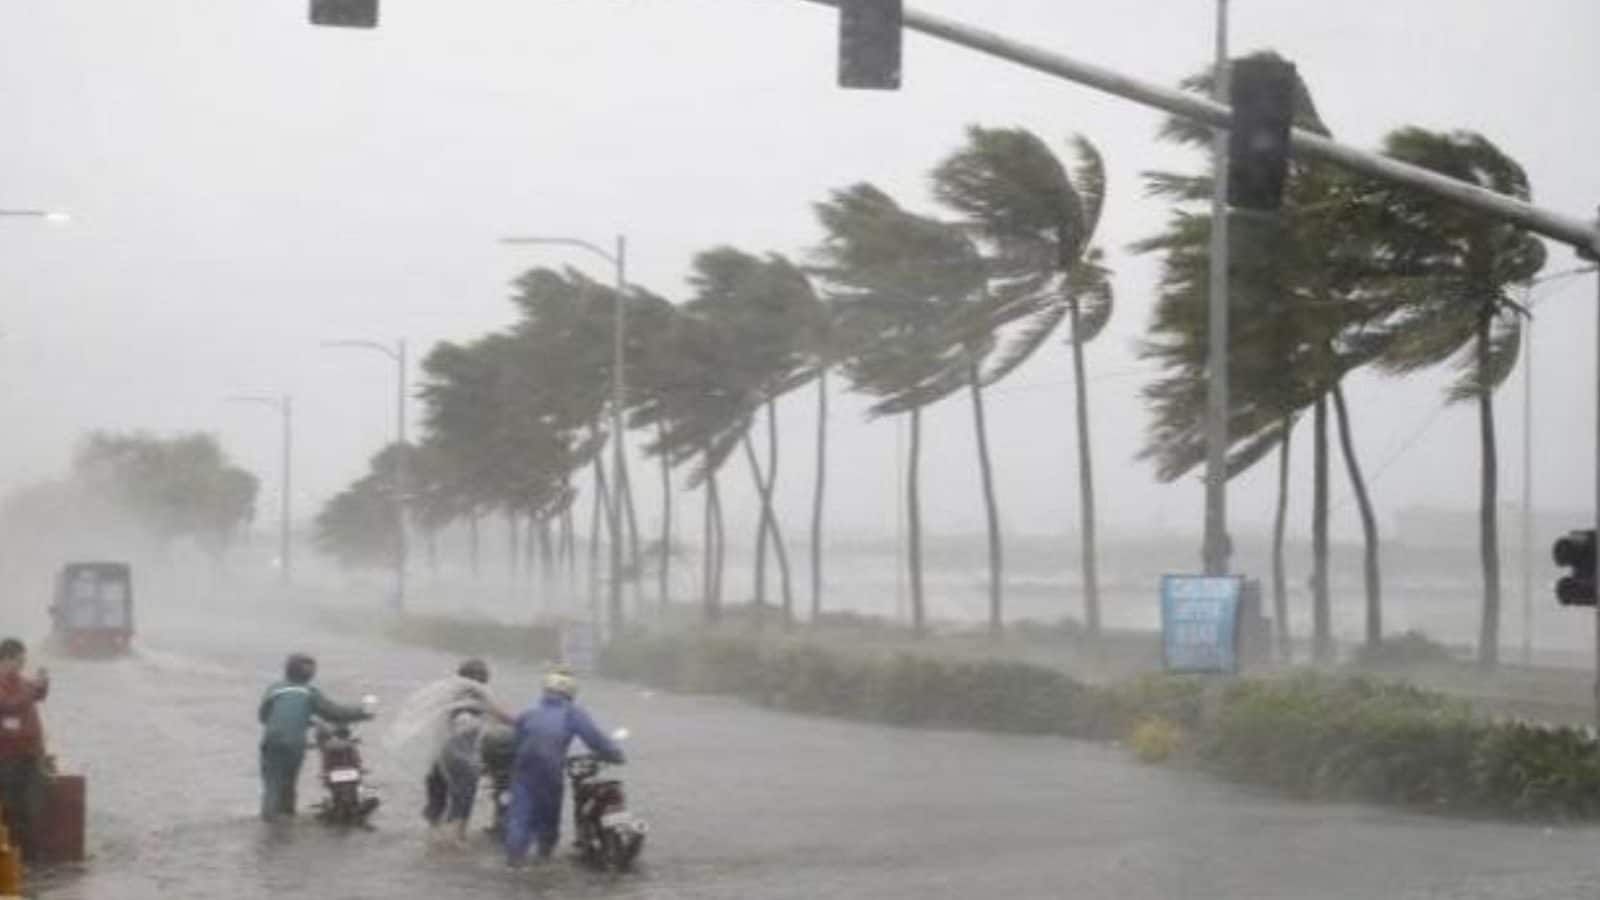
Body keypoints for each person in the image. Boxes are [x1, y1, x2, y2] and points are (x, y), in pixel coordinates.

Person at [504, 666, 623, 867]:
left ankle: (515, 862)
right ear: (571, 692)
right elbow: (595, 739)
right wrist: (615, 755)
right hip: (550, 771)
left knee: (520, 816)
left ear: (545, 689)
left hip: (523, 770)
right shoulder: (572, 713)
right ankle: (544, 859)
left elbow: (517, 741)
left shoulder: (529, 712)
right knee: (548, 816)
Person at [257, 653, 372, 821]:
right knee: (289, 783)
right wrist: (362, 713)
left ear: (287, 670)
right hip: (294, 744)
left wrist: (301, 720)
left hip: (272, 741)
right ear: (310, 675)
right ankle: (286, 820)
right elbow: (334, 713)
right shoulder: (309, 693)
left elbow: (263, 716)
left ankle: (269, 823)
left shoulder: (274, 690)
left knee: (272, 784)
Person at [421, 658, 512, 844]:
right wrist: (525, 723)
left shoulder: (449, 694)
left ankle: (432, 841)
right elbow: (501, 716)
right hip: (460, 759)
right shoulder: (477, 696)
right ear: (482, 679)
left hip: (438, 756)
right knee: (461, 803)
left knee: (437, 801)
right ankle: (456, 844)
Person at [0, 639, 49, 861]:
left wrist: (43, 684)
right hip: (8, 756)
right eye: (19, 660)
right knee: (12, 806)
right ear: (6, 659)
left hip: (30, 753)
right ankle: (14, 855)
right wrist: (33, 690)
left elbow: (37, 695)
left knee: (33, 806)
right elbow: (9, 704)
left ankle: (31, 855)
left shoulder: (21, 681)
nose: (22, 664)